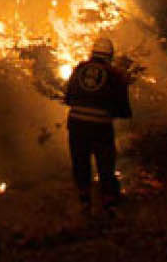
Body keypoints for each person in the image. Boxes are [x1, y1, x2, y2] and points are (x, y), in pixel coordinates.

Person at [63, 36, 132, 215]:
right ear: (110, 56)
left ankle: (84, 200)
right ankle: (109, 203)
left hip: (76, 123)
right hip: (100, 125)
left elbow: (68, 97)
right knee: (105, 163)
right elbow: (123, 108)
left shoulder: (79, 69)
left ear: (92, 53)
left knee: (80, 162)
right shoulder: (114, 74)